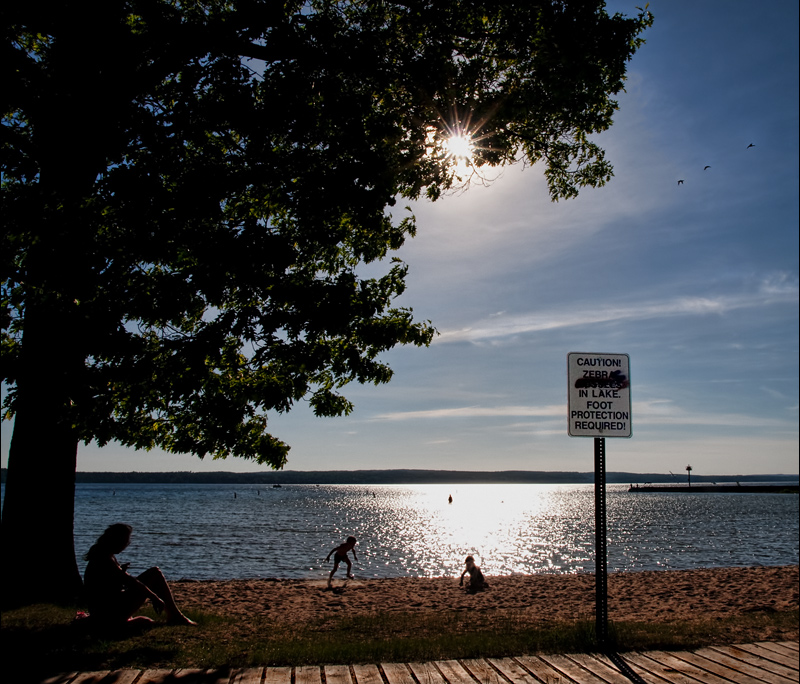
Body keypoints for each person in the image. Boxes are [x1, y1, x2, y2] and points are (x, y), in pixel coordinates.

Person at [83, 523, 196, 630]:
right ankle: (175, 616)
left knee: (154, 574)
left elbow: (111, 582)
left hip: (106, 609)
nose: (125, 545)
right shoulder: (104, 558)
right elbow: (131, 582)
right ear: (116, 540)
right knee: (154, 573)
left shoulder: (104, 554)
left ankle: (175, 615)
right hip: (108, 612)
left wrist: (120, 571)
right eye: (125, 542)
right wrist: (155, 598)